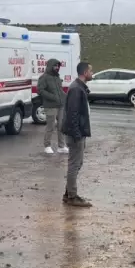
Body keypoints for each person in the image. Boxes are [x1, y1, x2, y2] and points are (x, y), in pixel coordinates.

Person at [62, 61, 93, 207]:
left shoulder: (79, 87)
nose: (92, 74)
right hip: (76, 133)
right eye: (91, 71)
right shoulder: (76, 89)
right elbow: (72, 114)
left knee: (77, 163)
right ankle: (72, 196)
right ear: (85, 73)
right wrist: (76, 134)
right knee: (74, 164)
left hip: (79, 132)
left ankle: (68, 193)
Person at [38, 58, 69, 155]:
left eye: (58, 66)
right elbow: (40, 90)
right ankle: (47, 146)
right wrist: (52, 97)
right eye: (55, 66)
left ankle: (61, 146)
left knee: (61, 125)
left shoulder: (57, 77)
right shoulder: (44, 77)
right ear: (50, 66)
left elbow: (60, 90)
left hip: (60, 105)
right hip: (50, 106)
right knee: (50, 126)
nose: (57, 67)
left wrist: (65, 97)